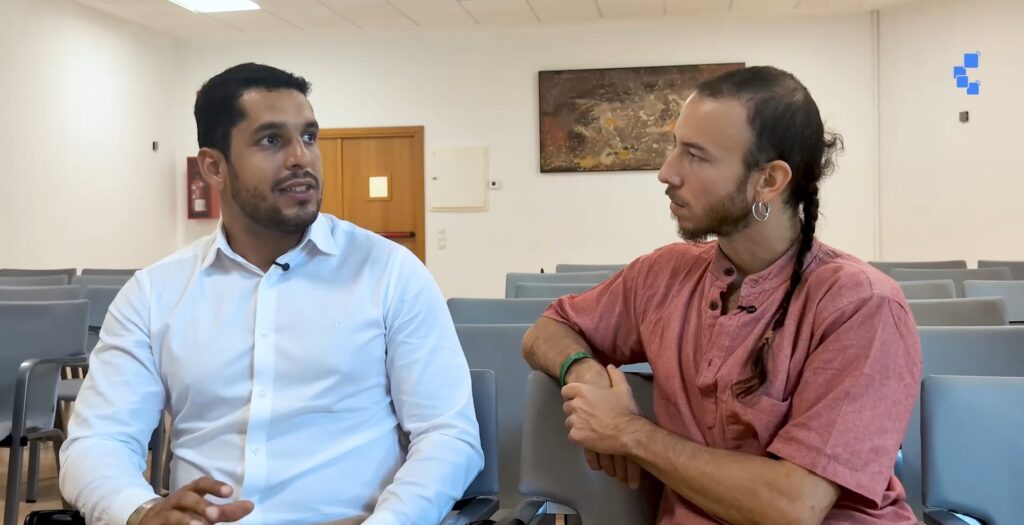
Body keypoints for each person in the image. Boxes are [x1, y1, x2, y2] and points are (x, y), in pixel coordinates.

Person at [60, 63, 482, 525]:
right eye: (271, 140)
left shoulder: (390, 273)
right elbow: (96, 440)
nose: (301, 158)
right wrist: (139, 513)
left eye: (309, 137)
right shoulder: (155, 293)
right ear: (214, 166)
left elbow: (447, 435)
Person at [523, 66, 921, 524]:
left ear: (769, 180)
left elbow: (794, 506)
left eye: (695, 155)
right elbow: (548, 329)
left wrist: (628, 432)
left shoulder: (861, 305)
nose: (666, 172)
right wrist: (585, 371)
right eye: (675, 146)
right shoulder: (663, 274)